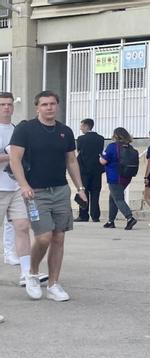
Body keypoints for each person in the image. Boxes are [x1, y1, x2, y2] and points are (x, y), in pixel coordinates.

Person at [8, 90, 86, 302]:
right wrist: (23, 185)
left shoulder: (65, 132)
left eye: (52, 104)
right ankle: (32, 274)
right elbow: (15, 159)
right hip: (35, 192)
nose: (49, 107)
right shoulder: (26, 129)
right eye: (44, 104)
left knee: (59, 237)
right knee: (43, 237)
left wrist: (80, 187)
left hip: (60, 190)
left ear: (57, 106)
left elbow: (71, 161)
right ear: (37, 108)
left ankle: (53, 283)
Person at [0, 93, 46, 288]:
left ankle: (26, 273)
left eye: (9, 104)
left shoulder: (17, 129)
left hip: (17, 186)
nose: (6, 108)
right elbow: (14, 156)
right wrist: (11, 157)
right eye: (2, 104)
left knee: (22, 227)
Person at [99, 127, 138, 230]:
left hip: (114, 177)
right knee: (113, 198)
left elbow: (103, 161)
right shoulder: (129, 147)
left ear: (115, 135)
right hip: (126, 176)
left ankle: (130, 218)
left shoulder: (112, 146)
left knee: (118, 199)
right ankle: (110, 221)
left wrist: (100, 157)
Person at [75, 118, 105, 222]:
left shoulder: (81, 139)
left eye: (81, 126)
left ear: (87, 126)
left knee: (83, 192)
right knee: (95, 192)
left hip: (84, 169)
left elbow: (79, 151)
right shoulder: (100, 138)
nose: (80, 128)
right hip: (96, 169)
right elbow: (100, 152)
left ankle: (83, 215)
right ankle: (95, 216)